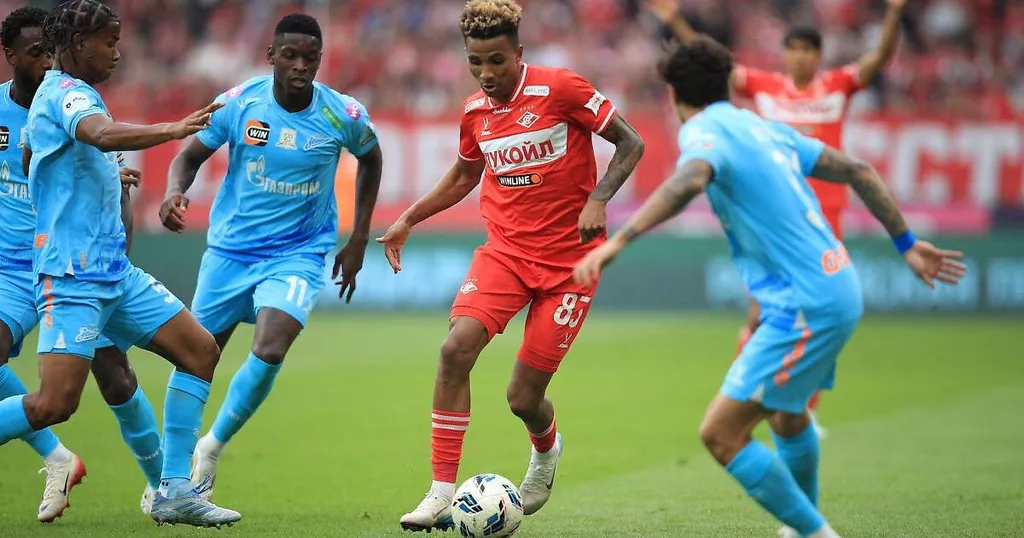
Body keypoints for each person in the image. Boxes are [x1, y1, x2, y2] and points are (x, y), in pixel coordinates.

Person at [573, 38, 965, 538]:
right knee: (786, 416)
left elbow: (690, 180)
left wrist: (618, 242)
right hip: (836, 284)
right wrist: (906, 243)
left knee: (721, 434)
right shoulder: (762, 126)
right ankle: (803, 528)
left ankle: (815, 533)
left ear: (673, 95)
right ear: (726, 84)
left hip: (805, 302)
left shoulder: (703, 131)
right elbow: (858, 170)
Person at [376, 0, 645, 531]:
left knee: (522, 398)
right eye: (475, 62)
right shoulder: (475, 111)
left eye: (496, 60)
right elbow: (464, 175)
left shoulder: (561, 88)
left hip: (570, 266)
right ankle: (440, 492)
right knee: (454, 349)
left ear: (519, 53)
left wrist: (599, 199)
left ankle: (546, 450)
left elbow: (630, 142)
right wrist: (409, 217)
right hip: (505, 254)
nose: (486, 73)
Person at [2, 0, 241, 527]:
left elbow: (31, 157)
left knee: (200, 351)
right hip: (73, 278)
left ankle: (173, 490)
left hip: (114, 274)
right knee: (53, 404)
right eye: (108, 42)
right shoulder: (66, 93)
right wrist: (174, 128)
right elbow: (101, 134)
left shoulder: (67, 96)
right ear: (76, 43)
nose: (117, 52)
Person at [645, 0, 907, 431]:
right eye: (793, 49)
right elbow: (712, 66)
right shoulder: (765, 87)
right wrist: (676, 21)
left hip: (822, 215)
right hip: (774, 216)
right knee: (765, 312)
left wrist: (894, 14)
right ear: (784, 53)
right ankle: (762, 398)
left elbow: (878, 58)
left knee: (807, 312)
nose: (800, 56)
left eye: (808, 49)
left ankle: (793, 408)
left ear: (818, 55)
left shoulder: (836, 86)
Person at [158, 13, 383, 501]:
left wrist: (359, 237)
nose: (300, 66)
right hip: (230, 251)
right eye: (290, 56)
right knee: (195, 356)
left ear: (320, 60)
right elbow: (188, 156)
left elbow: (371, 157)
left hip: (299, 252)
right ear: (271, 56)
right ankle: (170, 475)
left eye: (310, 58)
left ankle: (212, 447)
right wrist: (175, 191)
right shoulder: (240, 104)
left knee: (272, 346)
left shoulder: (342, 114)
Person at [0, 5, 162, 522]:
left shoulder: (78, 107)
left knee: (117, 379)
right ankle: (56, 457)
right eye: (35, 53)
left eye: (50, 51)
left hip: (75, 268)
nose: (45, 61)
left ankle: (164, 485)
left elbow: (115, 193)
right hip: (13, 270)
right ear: (10, 57)